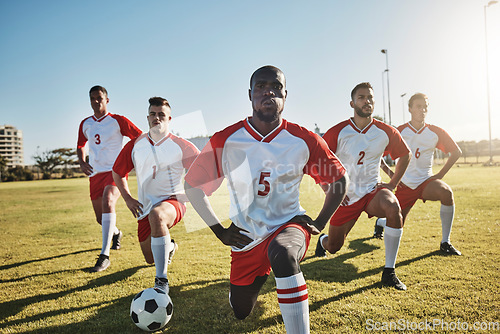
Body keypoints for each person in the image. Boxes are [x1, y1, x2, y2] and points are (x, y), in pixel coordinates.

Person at [184, 65, 347, 334]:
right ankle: (262, 272)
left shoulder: (303, 139)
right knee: (241, 310)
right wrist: (220, 232)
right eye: (260, 86)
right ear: (250, 95)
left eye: (276, 87)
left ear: (285, 95)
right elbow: (192, 186)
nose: (268, 91)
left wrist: (318, 222)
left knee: (283, 253)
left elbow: (339, 180)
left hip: (288, 226)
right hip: (246, 237)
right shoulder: (226, 139)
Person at [315, 82, 411, 291]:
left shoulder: (385, 131)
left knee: (393, 208)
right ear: (352, 103)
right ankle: (323, 241)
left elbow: (405, 154)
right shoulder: (337, 131)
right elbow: (318, 162)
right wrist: (330, 190)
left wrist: (392, 183)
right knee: (334, 247)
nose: (367, 101)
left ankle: (389, 271)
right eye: (361, 97)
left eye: (370, 98)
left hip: (372, 191)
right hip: (346, 196)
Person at [112, 97, 200, 292]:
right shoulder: (135, 145)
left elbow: (203, 171)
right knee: (150, 258)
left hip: (173, 202)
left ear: (169, 118)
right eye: (153, 114)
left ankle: (161, 281)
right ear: (148, 117)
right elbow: (118, 172)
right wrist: (127, 198)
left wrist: (189, 194)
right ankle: (169, 246)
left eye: (161, 114)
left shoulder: (181, 145)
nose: (157, 118)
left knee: (157, 215)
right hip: (144, 207)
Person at [374, 93, 462, 255]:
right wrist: (393, 176)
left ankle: (445, 242)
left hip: (426, 182)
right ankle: (381, 222)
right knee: (397, 223)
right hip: (404, 185)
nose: (422, 110)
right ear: (410, 109)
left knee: (446, 192)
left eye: (425, 107)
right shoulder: (399, 131)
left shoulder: (435, 132)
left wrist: (440, 175)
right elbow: (378, 154)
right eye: (418, 106)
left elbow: (456, 152)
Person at [77, 85, 142, 272]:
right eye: (92, 98)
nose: (96, 101)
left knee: (108, 199)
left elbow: (139, 137)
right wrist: (82, 162)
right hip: (95, 175)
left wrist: (128, 160)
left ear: (107, 100)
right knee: (100, 218)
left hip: (115, 173)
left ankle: (104, 256)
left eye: (99, 97)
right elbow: (81, 145)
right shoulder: (85, 124)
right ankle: (116, 233)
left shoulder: (117, 121)